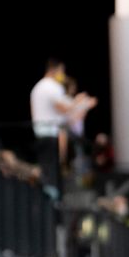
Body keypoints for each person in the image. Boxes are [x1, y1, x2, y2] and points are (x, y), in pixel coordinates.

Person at [29, 58, 95, 194]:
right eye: (62, 71)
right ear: (55, 70)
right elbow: (66, 110)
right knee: (51, 168)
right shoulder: (51, 87)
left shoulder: (38, 87)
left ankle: (51, 191)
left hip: (41, 131)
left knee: (48, 166)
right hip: (50, 132)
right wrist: (82, 103)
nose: (63, 75)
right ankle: (52, 194)